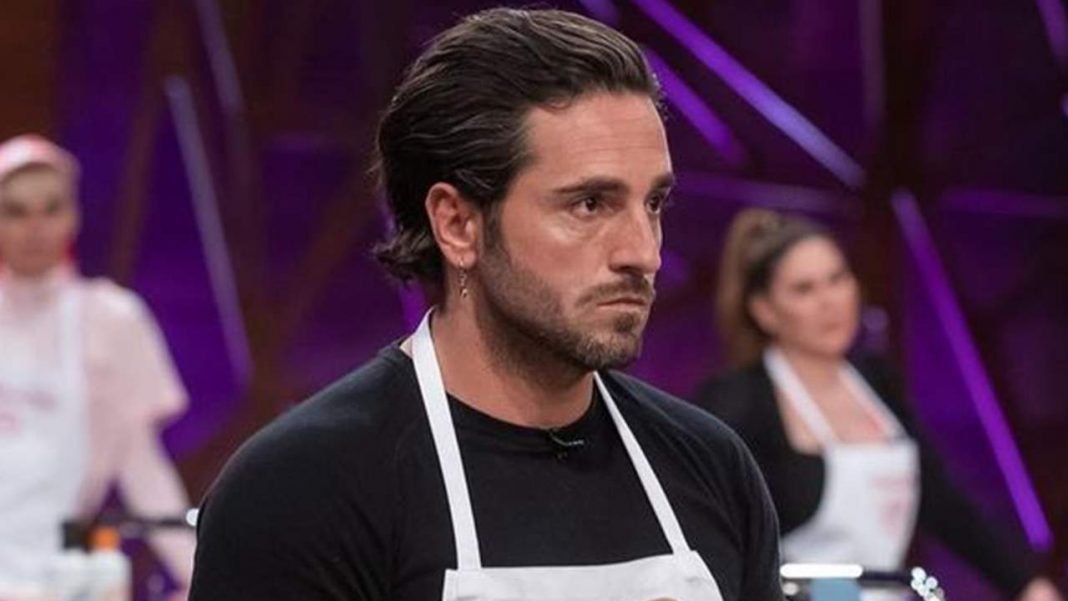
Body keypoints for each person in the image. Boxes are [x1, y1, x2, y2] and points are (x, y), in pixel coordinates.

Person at [190, 8, 785, 601]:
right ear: (457, 225)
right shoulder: (301, 491)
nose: (643, 253)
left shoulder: (711, 467)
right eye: (589, 204)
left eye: (653, 204)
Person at [691, 208, 1063, 600]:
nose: (829, 302)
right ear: (764, 310)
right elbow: (717, 536)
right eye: (804, 289)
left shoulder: (877, 381)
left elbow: (943, 502)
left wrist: (1027, 584)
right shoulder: (737, 401)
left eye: (837, 279)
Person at [0, 134, 195, 598]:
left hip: (66, 579)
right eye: (16, 211)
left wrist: (199, 577)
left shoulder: (110, 319)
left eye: (51, 209)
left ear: (74, 215)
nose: (35, 227)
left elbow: (142, 466)